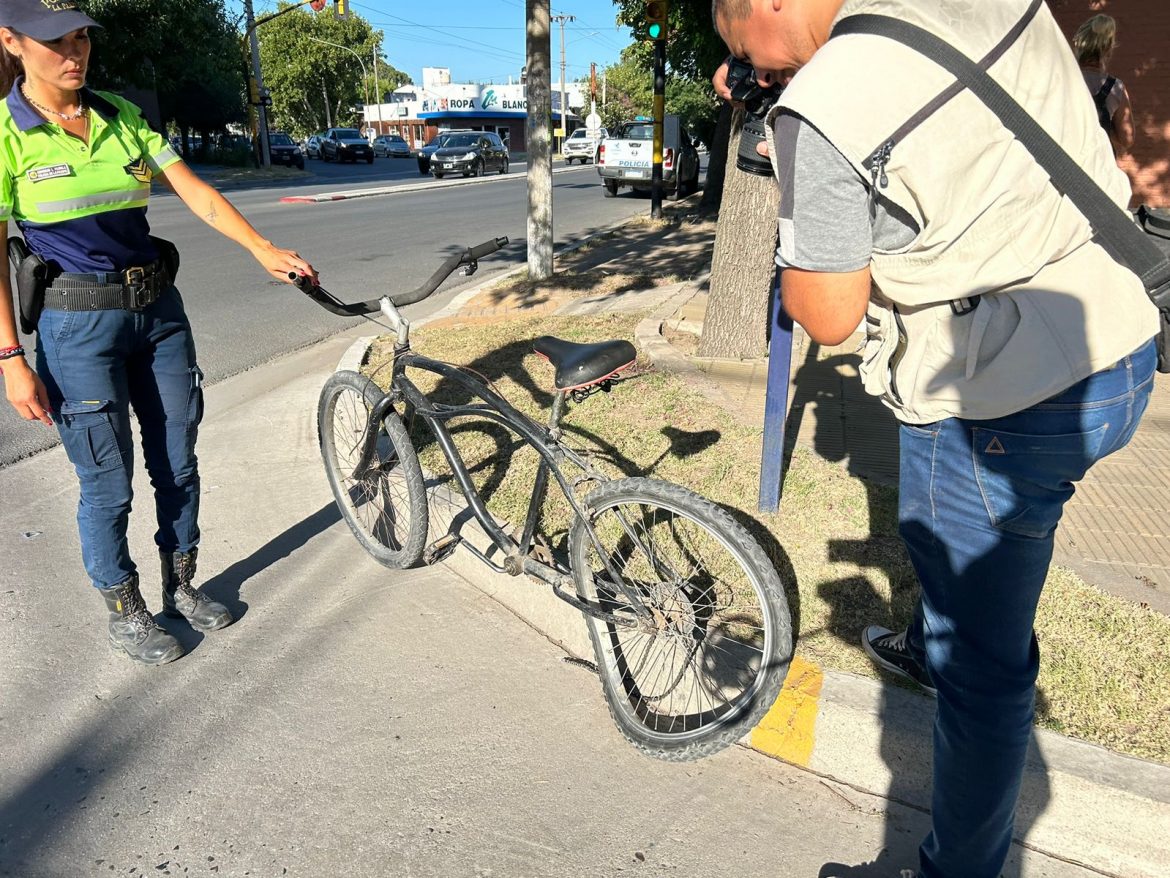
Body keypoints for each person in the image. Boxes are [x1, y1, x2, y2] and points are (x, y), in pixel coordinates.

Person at [711, 0, 1158, 876]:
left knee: (981, 674)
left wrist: (797, 143)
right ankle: (937, 643)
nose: (755, 73)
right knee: (962, 588)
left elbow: (826, 313)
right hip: (1123, 340)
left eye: (741, 49)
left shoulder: (824, 110)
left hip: (1008, 398)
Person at [0, 0, 316, 665]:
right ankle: (124, 608)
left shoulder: (121, 113)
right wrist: (9, 357)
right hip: (76, 327)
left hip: (158, 314)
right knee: (107, 482)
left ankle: (181, 584)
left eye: (82, 38)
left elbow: (193, 189)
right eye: (57, 41)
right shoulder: (6, 131)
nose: (75, 52)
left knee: (178, 458)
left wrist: (261, 247)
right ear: (12, 42)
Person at [1072, 13, 1134, 155]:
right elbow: (1127, 139)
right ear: (1108, 49)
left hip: (1064, 164)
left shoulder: (1063, 79)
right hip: (1098, 167)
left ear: (1079, 44)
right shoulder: (1115, 87)